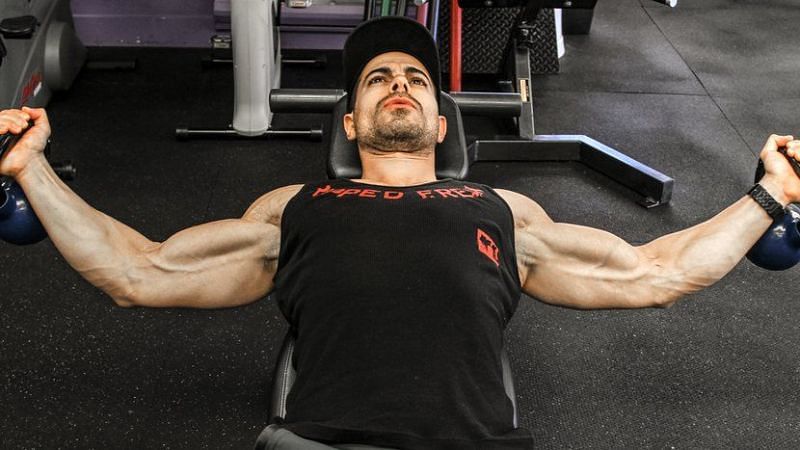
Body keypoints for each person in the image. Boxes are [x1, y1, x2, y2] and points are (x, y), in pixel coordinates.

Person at [1, 16, 799, 450]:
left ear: (436, 117)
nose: (400, 85)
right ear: (351, 119)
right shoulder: (293, 206)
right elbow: (139, 271)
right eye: (379, 78)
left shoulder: (504, 211)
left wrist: (772, 195)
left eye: (416, 79)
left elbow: (653, 273)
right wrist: (29, 167)